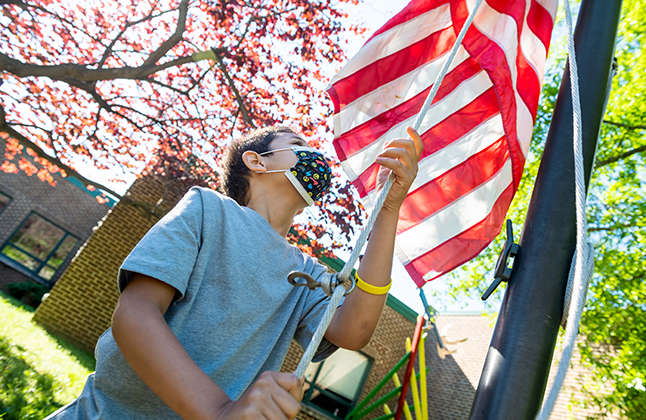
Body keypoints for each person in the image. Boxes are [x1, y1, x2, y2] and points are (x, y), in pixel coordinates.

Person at [45, 125, 422, 420]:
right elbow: (134, 314)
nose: (314, 155)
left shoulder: (307, 271)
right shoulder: (206, 208)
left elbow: (354, 330)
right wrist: (218, 412)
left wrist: (389, 210)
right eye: (298, 143)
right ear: (257, 162)